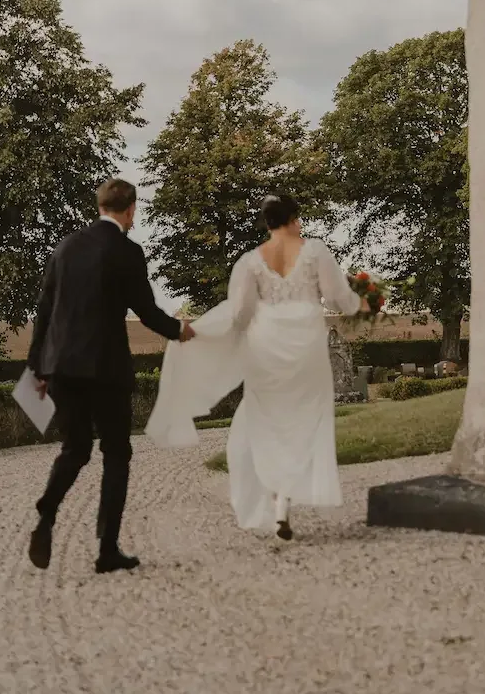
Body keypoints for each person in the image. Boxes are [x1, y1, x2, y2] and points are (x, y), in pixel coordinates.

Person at [146, 193, 367, 540]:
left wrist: (214, 332)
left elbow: (240, 315)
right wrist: (362, 300)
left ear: (268, 223)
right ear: (294, 219)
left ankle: (277, 501)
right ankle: (283, 504)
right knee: (304, 421)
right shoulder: (316, 251)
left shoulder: (251, 261)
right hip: (307, 347)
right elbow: (340, 297)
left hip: (267, 349)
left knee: (269, 422)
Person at [26, 177, 194, 574]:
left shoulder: (65, 247)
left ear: (100, 206)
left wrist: (38, 367)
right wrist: (178, 331)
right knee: (116, 454)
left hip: (62, 366)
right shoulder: (127, 251)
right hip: (106, 368)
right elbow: (146, 309)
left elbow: (44, 310)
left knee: (75, 449)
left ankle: (47, 513)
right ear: (131, 209)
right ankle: (107, 549)